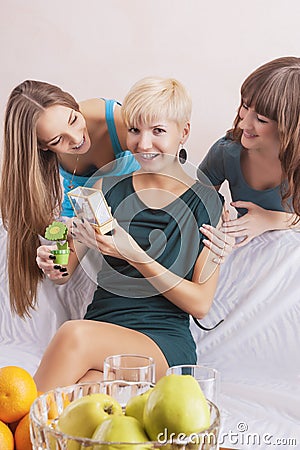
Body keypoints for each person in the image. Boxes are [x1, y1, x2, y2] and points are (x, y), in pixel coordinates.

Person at [34, 76, 233, 391]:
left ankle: (15, 430)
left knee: (74, 334)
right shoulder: (103, 190)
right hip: (102, 333)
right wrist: (52, 259)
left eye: (157, 131)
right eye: (134, 130)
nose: (143, 144)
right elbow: (64, 270)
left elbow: (200, 304)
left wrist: (132, 253)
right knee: (82, 397)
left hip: (160, 343)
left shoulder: (207, 204)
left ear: (184, 132)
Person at [0, 80, 139, 317]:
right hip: (92, 215)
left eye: (74, 120)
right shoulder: (53, 165)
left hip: (137, 205)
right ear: (42, 148)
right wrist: (57, 266)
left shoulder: (117, 121)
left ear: (73, 104)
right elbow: (66, 269)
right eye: (57, 141)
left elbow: (164, 165)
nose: (76, 139)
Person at [198, 56, 300, 247]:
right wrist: (213, 210)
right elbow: (196, 199)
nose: (244, 123)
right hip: (247, 254)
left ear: (289, 127)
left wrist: (271, 219)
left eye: (261, 119)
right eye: (245, 106)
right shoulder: (227, 152)